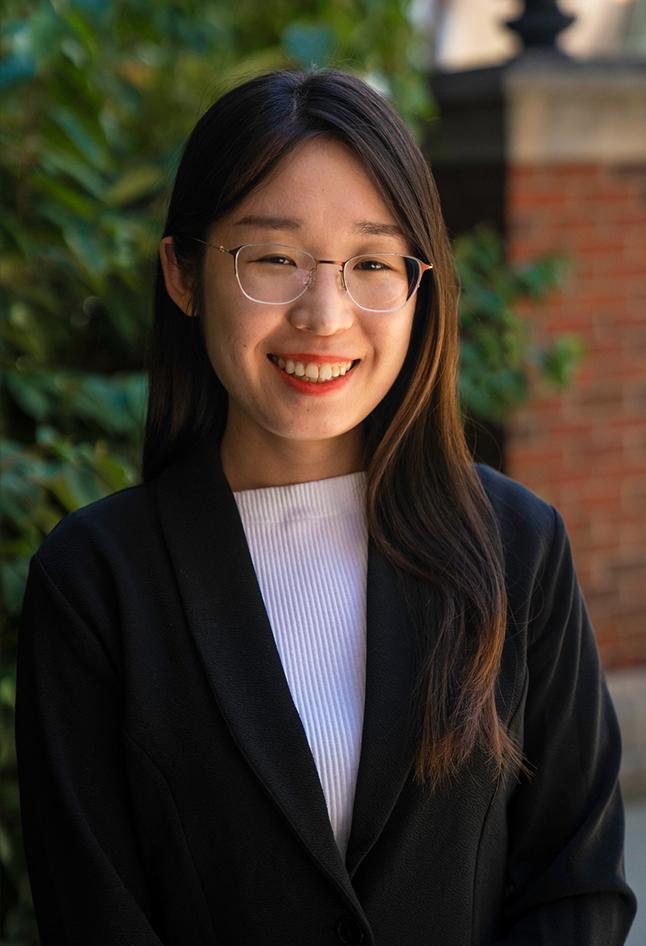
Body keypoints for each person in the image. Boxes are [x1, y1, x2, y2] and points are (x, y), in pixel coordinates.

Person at [16, 68, 636, 946]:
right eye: (273, 258)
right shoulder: (95, 585)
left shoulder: (517, 547)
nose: (325, 313)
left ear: (419, 288)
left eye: (373, 263)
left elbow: (576, 888)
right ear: (184, 274)